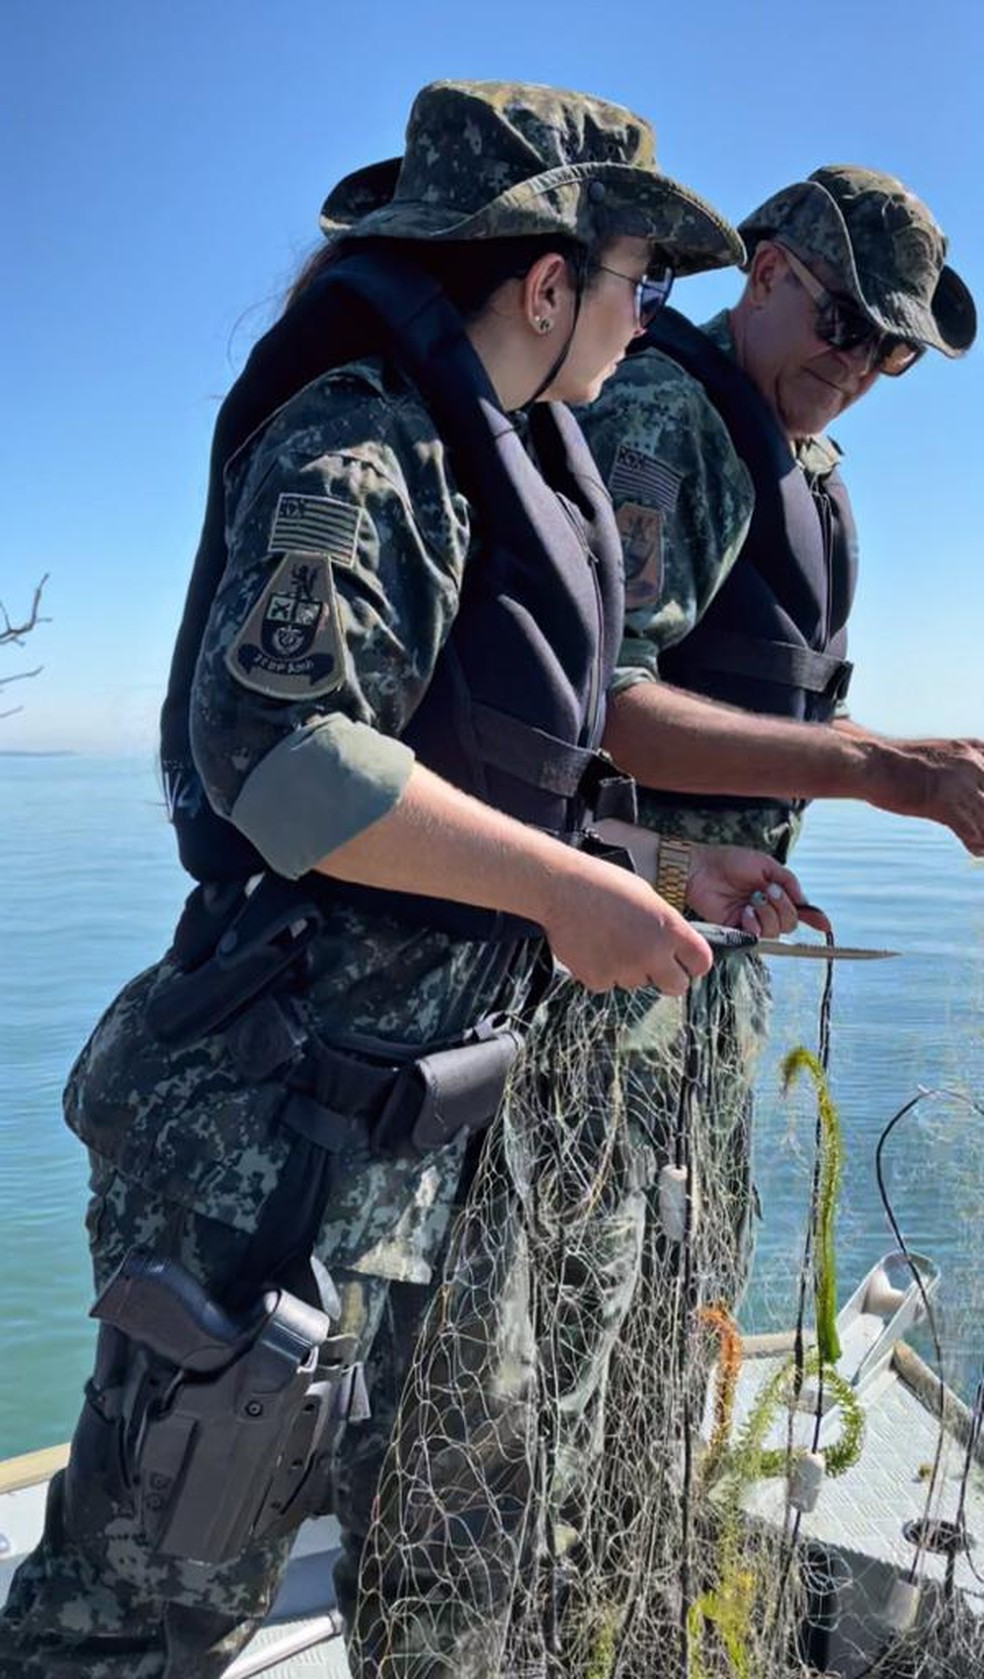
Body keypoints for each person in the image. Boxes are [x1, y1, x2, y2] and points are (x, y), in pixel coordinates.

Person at [0, 81, 820, 1679]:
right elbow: (285, 758)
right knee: (138, 1608)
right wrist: (577, 903)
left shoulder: (516, 460)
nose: (650, 316)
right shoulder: (365, 444)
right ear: (543, 282)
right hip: (275, 1148)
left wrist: (664, 866)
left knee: (454, 1565)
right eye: (639, 277)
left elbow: (488, 788)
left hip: (434, 1153)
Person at [575, 166, 979, 1304]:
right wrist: (876, 770)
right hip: (606, 966)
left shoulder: (797, 459)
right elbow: (608, 705)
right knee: (581, 1299)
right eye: (845, 322)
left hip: (707, 958)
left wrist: (921, 760)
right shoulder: (662, 421)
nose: (856, 366)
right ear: (763, 275)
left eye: (887, 353)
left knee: (685, 1274)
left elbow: (772, 702)